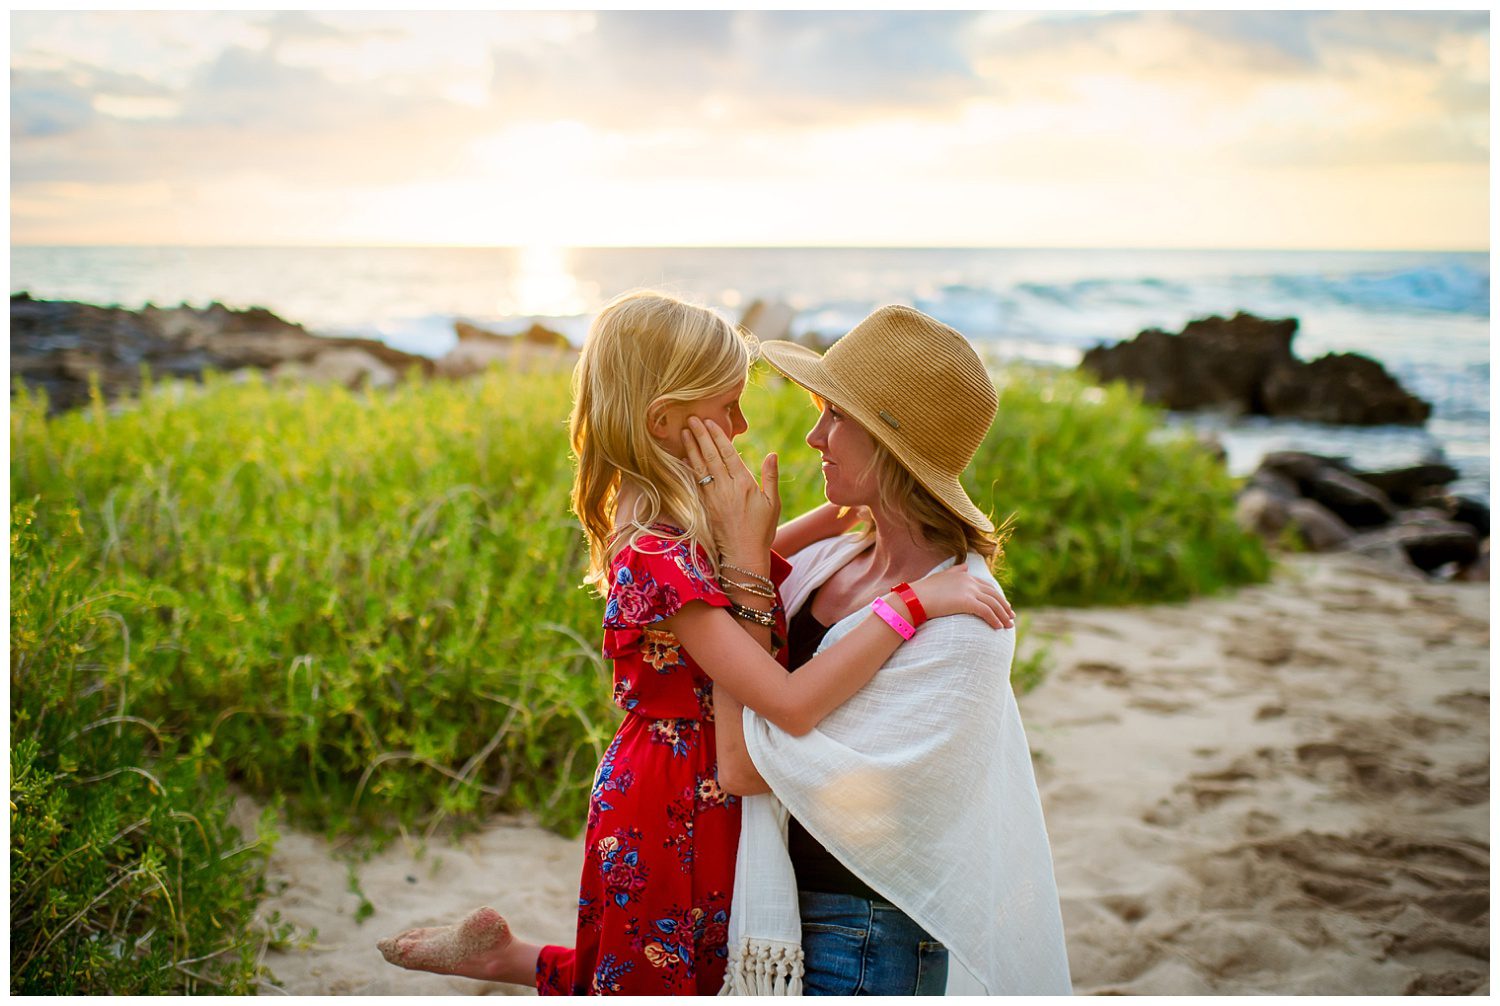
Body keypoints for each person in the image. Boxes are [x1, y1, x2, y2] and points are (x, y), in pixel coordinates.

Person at [376, 291, 1013, 995]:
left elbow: (726, 564)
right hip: (678, 793)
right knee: (661, 972)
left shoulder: (664, 536)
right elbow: (782, 694)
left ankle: (513, 959)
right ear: (665, 420)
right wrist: (910, 603)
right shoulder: (658, 553)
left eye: (833, 415)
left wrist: (829, 519)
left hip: (694, 786)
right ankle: (513, 962)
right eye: (729, 407)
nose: (748, 427)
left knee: (664, 961)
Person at [712, 304, 1073, 995]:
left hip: (866, 935)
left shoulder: (968, 619)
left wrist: (744, 583)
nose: (815, 437)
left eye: (837, 418)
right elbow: (711, 594)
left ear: (891, 443)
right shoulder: (835, 557)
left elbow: (756, 765)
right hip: (786, 910)